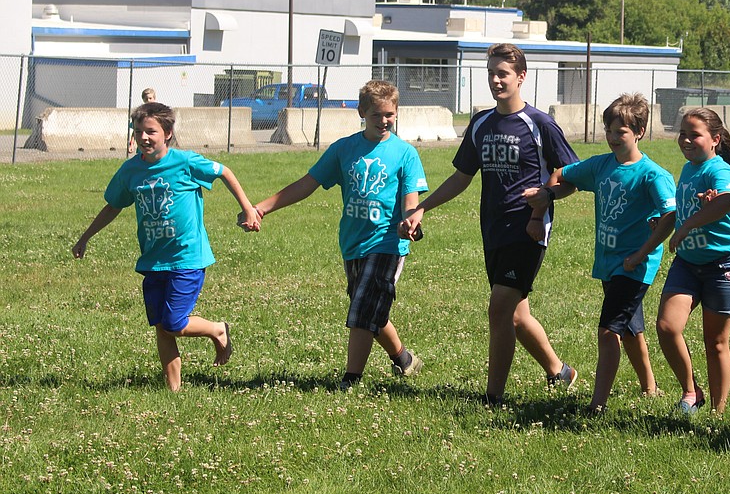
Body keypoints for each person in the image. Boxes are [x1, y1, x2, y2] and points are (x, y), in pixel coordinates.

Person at [398, 43, 578, 406]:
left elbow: (571, 176)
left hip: (528, 229)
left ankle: (493, 396)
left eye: (503, 74)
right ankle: (561, 372)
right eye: (492, 73)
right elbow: (461, 177)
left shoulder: (539, 123)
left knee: (499, 308)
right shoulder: (481, 122)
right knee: (515, 315)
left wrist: (546, 200)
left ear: (521, 77)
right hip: (493, 229)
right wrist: (422, 209)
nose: (496, 80)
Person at [250, 80, 428, 389]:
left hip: (388, 244)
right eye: (376, 115)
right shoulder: (344, 150)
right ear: (362, 112)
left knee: (362, 308)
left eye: (389, 114)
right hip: (353, 243)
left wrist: (410, 221)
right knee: (369, 309)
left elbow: (411, 200)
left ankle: (351, 378)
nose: (384, 121)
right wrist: (262, 208)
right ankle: (404, 359)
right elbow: (307, 184)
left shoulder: (405, 154)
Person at [73, 101, 259, 391]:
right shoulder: (130, 171)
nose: (144, 138)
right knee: (162, 326)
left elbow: (224, 171)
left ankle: (216, 329)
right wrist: (86, 237)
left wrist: (248, 208)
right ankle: (174, 390)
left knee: (173, 322)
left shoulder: (185, 162)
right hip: (153, 259)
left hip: (187, 257)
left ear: (168, 133)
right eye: (139, 132)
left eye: (151, 131)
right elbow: (113, 206)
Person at [526, 93, 675, 414]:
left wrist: (642, 253)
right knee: (632, 330)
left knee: (609, 332)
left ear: (639, 132)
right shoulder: (601, 166)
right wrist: (542, 205)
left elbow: (670, 216)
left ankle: (597, 405)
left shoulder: (653, 174)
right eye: (608, 130)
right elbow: (562, 174)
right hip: (610, 262)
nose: (611, 138)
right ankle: (650, 387)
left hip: (635, 265)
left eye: (620, 132)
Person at [656, 107, 730, 415]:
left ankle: (718, 413)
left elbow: (729, 197)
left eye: (694, 134)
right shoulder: (689, 169)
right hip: (687, 263)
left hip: (723, 264)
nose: (685, 139)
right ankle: (691, 392)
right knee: (668, 327)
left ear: (715, 140)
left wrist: (688, 224)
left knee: (716, 342)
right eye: (683, 133)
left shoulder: (718, 170)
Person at [128, 88, 158, 156]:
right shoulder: (140, 114)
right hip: (143, 144)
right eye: (146, 99)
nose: (148, 101)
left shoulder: (158, 113)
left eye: (150, 98)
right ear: (143, 100)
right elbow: (135, 130)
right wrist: (131, 144)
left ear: (154, 98)